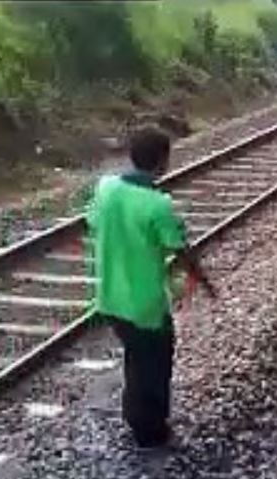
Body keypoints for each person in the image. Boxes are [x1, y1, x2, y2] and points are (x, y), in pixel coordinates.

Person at [85, 127, 215, 448]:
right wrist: (206, 282)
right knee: (155, 364)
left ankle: (135, 418)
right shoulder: (159, 205)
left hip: (110, 298)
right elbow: (180, 251)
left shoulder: (106, 188)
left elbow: (93, 222)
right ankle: (150, 432)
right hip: (145, 304)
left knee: (136, 358)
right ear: (162, 161)